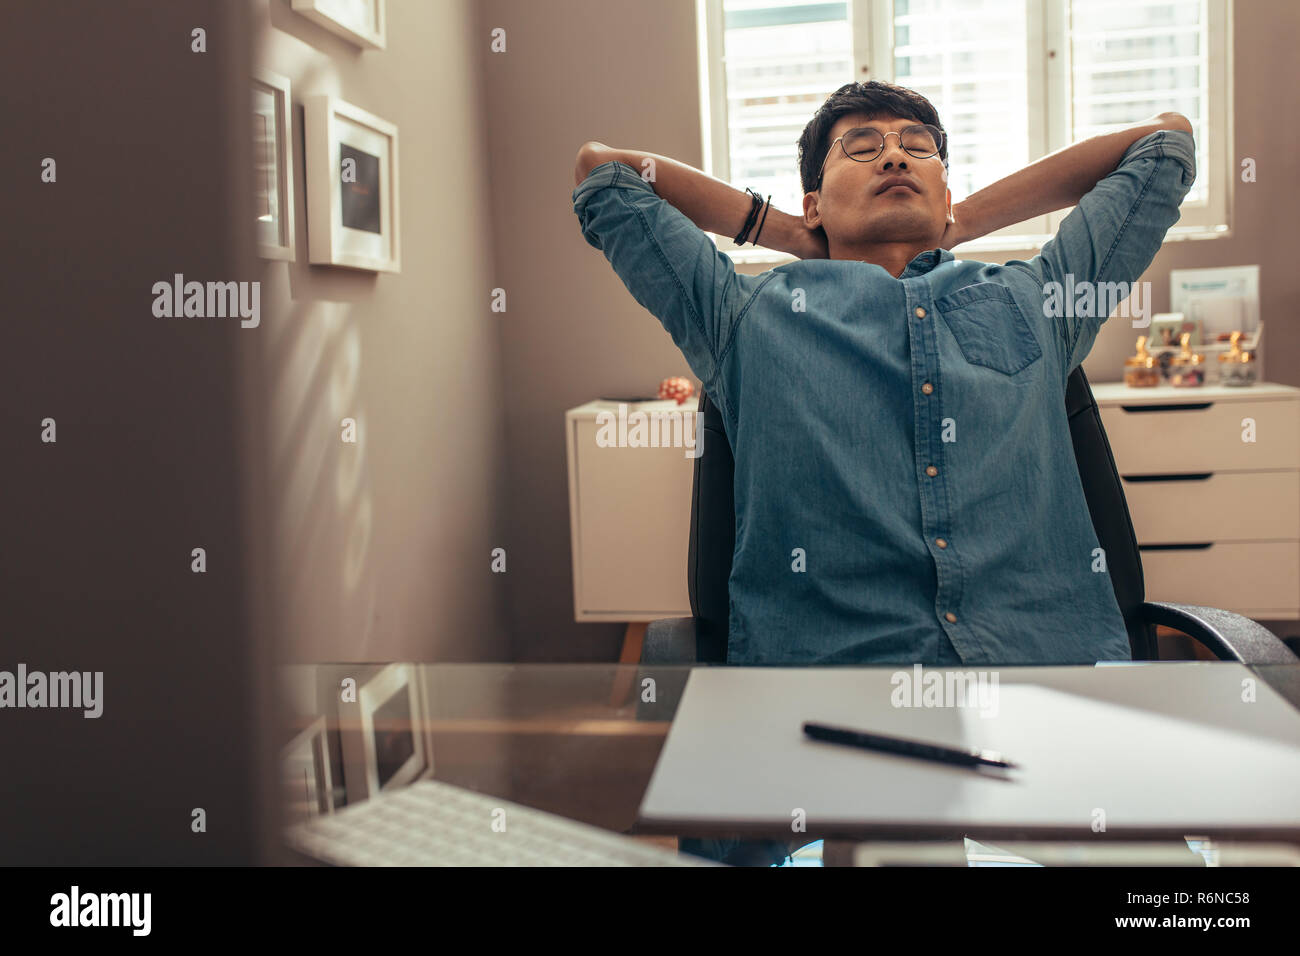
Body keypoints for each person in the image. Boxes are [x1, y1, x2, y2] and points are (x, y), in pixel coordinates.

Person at [572, 81, 1194, 862]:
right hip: (843, 694)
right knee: (901, 836)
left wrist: (958, 222)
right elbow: (605, 175)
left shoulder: (1037, 301)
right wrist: (785, 233)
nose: (894, 152)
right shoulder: (744, 315)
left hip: (1042, 682)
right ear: (814, 199)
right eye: (860, 146)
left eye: (917, 145)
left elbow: (1165, 143)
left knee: (1183, 898)